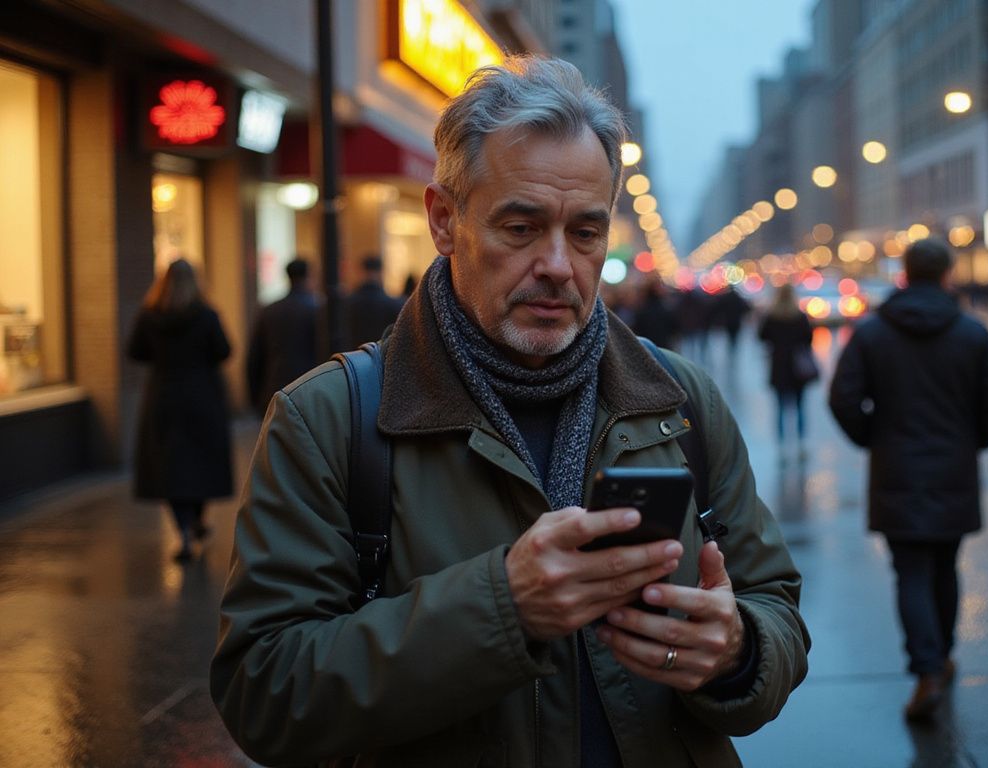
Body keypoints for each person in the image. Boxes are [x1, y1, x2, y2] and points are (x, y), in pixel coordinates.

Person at [211, 56, 809, 767]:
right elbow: (264, 692)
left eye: (585, 233)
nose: (558, 264)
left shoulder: (680, 401)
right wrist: (502, 606)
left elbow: (775, 606)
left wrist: (738, 649)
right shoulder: (329, 420)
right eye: (521, 228)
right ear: (444, 220)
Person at [828, 239, 988, 721]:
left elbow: (843, 398)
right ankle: (943, 655)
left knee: (909, 571)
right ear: (948, 274)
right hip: (954, 467)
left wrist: (873, 437)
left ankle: (926, 667)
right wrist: (974, 440)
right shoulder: (972, 332)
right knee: (946, 565)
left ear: (905, 273)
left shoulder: (872, 333)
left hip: (896, 468)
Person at [126, 259, 233, 562]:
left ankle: (184, 530)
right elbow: (224, 351)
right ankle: (198, 518)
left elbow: (135, 351)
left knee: (170, 466)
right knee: (200, 461)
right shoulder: (207, 315)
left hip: (163, 397)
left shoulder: (149, 316)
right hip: (202, 396)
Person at [245, 258, 320, 414]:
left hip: (275, 386)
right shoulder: (317, 309)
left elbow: (255, 357)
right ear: (309, 276)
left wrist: (254, 396)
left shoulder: (269, 310)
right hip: (310, 386)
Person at [757, 283, 816, 445]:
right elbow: (809, 338)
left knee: (780, 408)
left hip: (779, 366)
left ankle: (782, 444)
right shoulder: (799, 316)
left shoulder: (771, 316)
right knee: (800, 406)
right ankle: (801, 442)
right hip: (798, 368)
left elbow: (762, 337)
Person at [345, 254, 405, 346]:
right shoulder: (395, 304)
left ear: (361, 272)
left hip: (351, 357)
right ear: (381, 273)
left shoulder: (346, 304)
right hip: (382, 357)